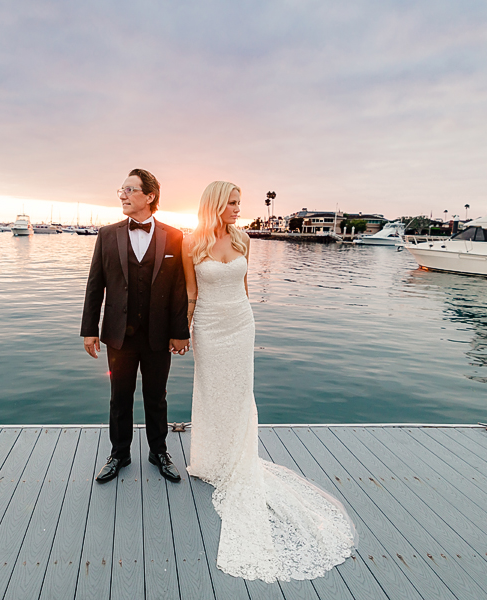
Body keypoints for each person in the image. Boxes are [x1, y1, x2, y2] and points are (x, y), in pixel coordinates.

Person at [184, 181, 356, 582]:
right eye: (231, 203)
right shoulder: (192, 243)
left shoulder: (243, 238)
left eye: (239, 203)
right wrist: (185, 329)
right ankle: (210, 458)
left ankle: (237, 458)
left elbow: (244, 288)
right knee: (212, 393)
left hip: (241, 323)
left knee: (240, 392)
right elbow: (192, 293)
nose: (237, 209)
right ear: (213, 204)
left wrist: (247, 320)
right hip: (208, 325)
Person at [81, 169, 190, 484]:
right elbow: (94, 285)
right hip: (118, 334)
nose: (123, 196)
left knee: (157, 396)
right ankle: (119, 454)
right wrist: (90, 329)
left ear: (150, 196)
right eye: (121, 190)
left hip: (158, 334)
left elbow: (178, 289)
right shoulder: (106, 234)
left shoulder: (174, 236)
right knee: (120, 396)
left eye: (129, 190)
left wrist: (179, 331)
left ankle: (159, 452)